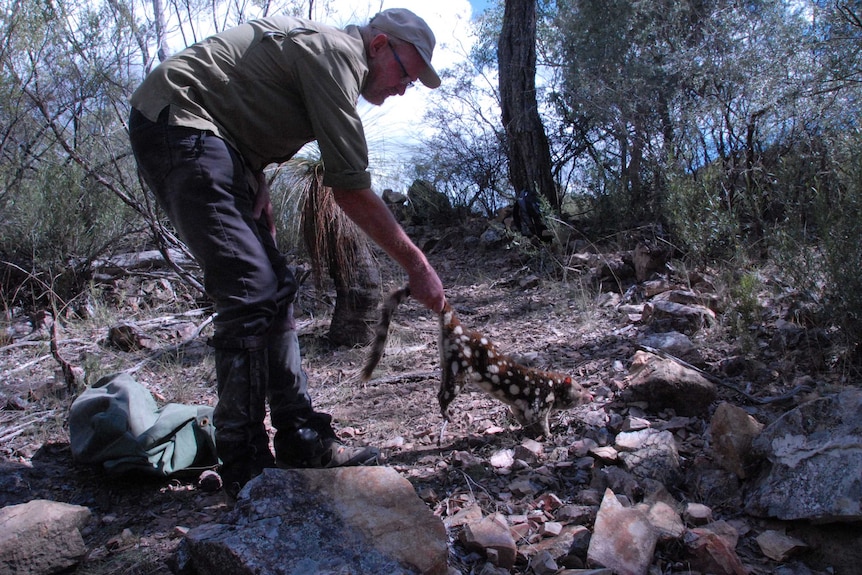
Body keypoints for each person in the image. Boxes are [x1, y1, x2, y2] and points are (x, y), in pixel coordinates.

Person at [128, 8, 446, 496]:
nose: (405, 87)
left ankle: (300, 439)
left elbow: (247, 102)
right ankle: (245, 463)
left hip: (217, 141)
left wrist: (252, 175)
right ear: (379, 45)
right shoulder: (338, 54)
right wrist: (416, 264)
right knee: (250, 291)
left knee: (275, 285)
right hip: (181, 119)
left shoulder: (337, 58)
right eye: (406, 72)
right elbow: (350, 187)